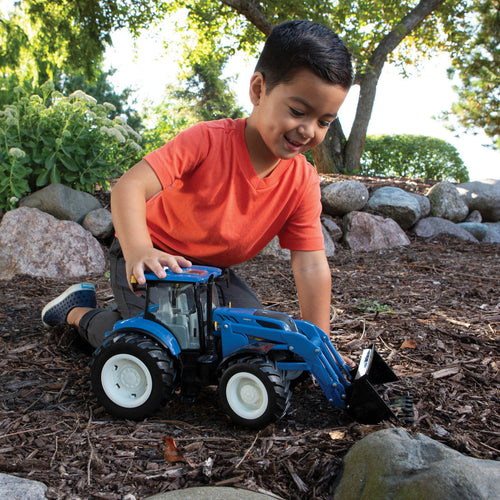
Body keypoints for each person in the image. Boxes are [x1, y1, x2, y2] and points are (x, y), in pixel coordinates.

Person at [41, 19, 354, 364]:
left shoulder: (301, 180)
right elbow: (129, 186)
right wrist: (139, 250)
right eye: (298, 111)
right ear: (258, 90)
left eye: (324, 121)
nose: (309, 130)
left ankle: (134, 313)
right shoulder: (207, 141)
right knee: (162, 351)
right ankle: (77, 313)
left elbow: (311, 266)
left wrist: (318, 344)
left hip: (211, 273)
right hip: (154, 256)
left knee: (254, 343)